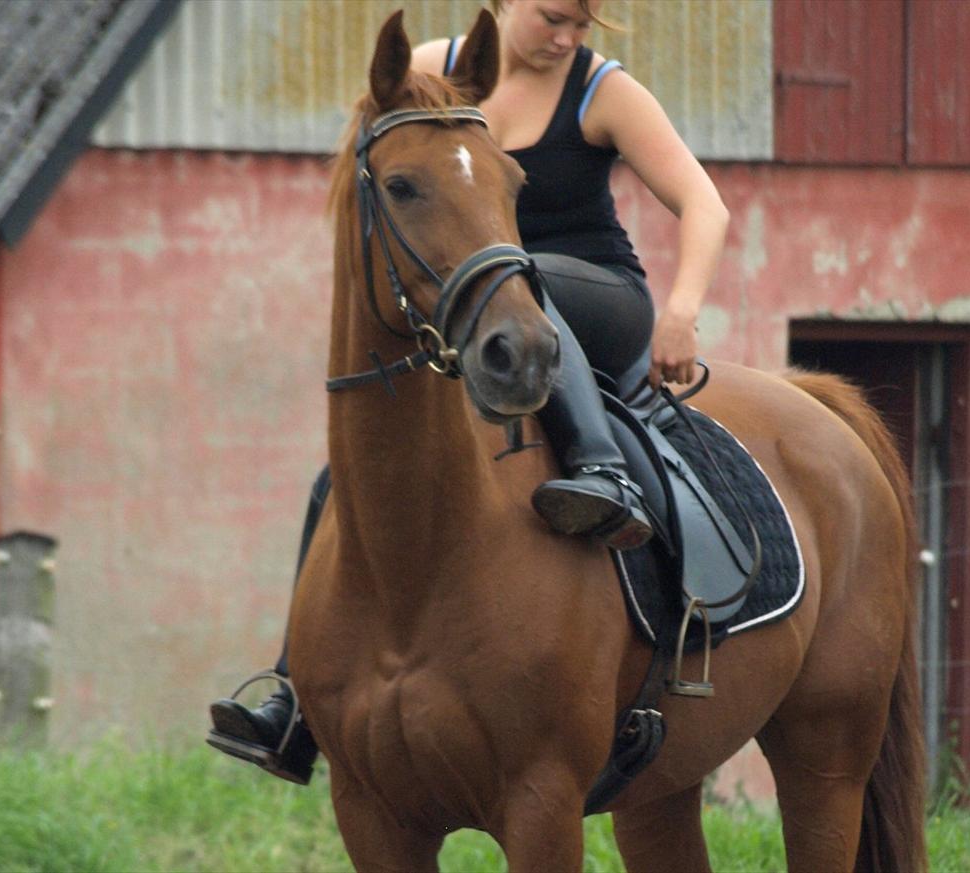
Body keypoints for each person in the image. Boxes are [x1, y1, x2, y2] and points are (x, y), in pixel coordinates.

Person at [207, 0, 730, 784]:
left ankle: (602, 466)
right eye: (555, 17)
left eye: (582, 27)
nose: (567, 38)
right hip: (479, 318)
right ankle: (295, 690)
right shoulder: (427, 74)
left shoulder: (603, 91)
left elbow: (705, 203)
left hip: (593, 300)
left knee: (521, 274)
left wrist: (683, 309)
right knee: (353, 475)